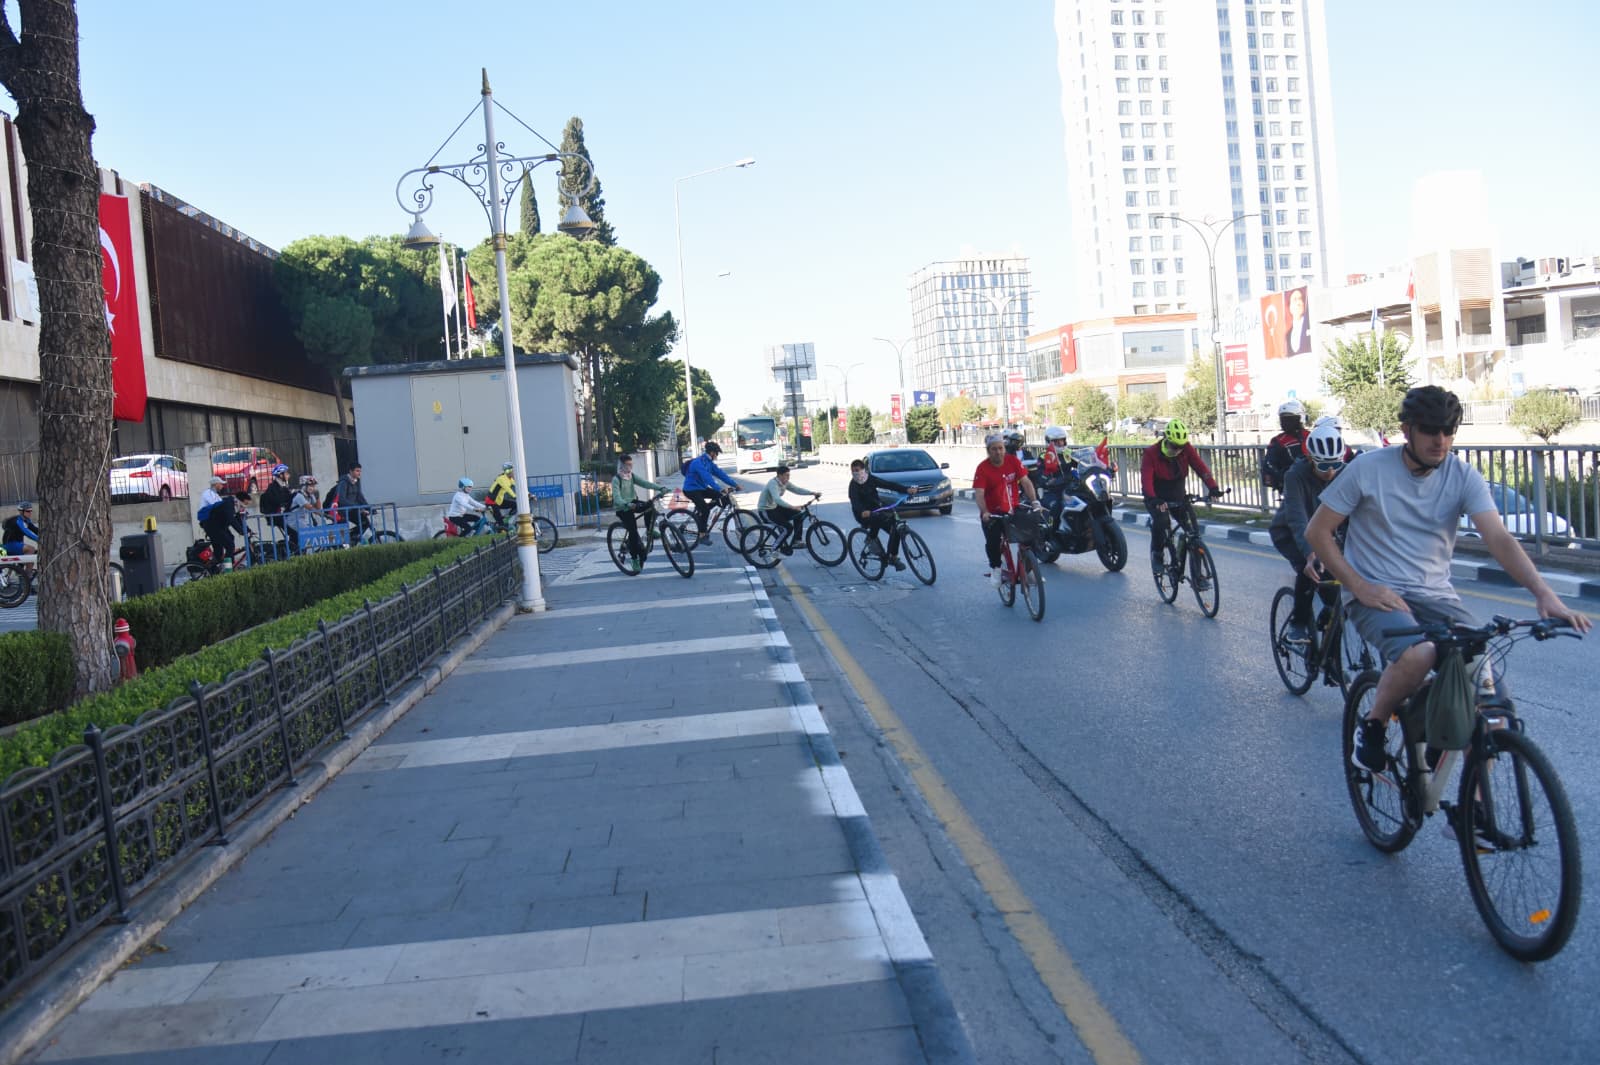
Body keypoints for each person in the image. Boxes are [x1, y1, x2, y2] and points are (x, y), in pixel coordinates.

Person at [1305, 386, 1591, 775]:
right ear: (1407, 430)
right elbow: (1317, 532)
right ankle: (1372, 726)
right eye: (1429, 430)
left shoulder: (1462, 475)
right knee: (1420, 654)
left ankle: (1476, 807)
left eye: (1448, 431)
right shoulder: (1368, 469)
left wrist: (1544, 593)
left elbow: (1498, 539)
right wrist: (1358, 586)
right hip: (1376, 593)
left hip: (1436, 595)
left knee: (1488, 699)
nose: (1440, 440)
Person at [1270, 420, 1349, 642]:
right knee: (1312, 571)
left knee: (1341, 597)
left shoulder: (1346, 473)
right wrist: (1310, 554)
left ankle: (1329, 650)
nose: (1330, 472)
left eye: (1336, 464)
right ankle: (1298, 623)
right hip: (1290, 533)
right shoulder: (1295, 475)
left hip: (1327, 534)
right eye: (1323, 466)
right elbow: (1298, 518)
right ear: (1311, 459)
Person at [1140, 419, 1222, 577]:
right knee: (1162, 521)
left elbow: (1201, 468)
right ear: (1166, 439)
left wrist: (1213, 487)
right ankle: (1157, 554)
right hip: (1157, 498)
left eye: (1181, 447)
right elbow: (1146, 481)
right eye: (1174, 446)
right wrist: (1153, 499)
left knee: (1193, 532)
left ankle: (1198, 576)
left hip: (1178, 496)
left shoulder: (1186, 449)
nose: (1178, 450)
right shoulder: (1151, 453)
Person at [974, 432, 1039, 586]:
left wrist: (1035, 502)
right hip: (993, 513)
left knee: (1032, 534)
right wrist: (985, 512)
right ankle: (996, 569)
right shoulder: (982, 468)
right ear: (988, 451)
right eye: (994, 449)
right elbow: (979, 494)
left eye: (1000, 448)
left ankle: (1028, 569)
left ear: (1004, 448)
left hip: (1013, 508)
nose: (998, 452)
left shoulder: (1013, 461)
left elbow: (1026, 482)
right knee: (993, 542)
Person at [611, 455, 668, 571]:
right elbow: (617, 498)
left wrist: (660, 488)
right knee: (633, 532)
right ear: (622, 466)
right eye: (628, 465)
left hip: (632, 503)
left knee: (649, 506)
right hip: (622, 508)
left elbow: (645, 483)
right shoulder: (616, 479)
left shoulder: (631, 476)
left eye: (631, 464)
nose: (630, 467)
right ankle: (634, 559)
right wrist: (626, 504)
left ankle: (649, 531)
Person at [848, 458, 906, 571]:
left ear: (863, 470)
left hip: (877, 509)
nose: (855, 473)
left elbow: (888, 485)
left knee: (896, 530)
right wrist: (862, 511)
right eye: (853, 471)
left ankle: (893, 557)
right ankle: (871, 538)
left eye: (857, 470)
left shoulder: (870, 479)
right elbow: (855, 502)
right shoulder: (853, 485)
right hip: (862, 514)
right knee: (876, 520)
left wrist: (906, 489)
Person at [681, 441, 741, 540]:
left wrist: (735, 484)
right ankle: (702, 534)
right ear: (712, 453)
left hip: (701, 488)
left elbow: (721, 474)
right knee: (705, 510)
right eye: (717, 453)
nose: (717, 456)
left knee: (722, 498)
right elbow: (708, 478)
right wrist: (720, 489)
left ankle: (700, 514)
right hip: (691, 490)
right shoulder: (698, 462)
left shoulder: (709, 463)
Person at [757, 465, 820, 556]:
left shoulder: (785, 483)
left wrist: (812, 493)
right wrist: (792, 507)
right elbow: (777, 499)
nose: (788, 477)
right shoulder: (773, 483)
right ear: (780, 475)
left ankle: (796, 541)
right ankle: (773, 549)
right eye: (786, 475)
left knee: (799, 514)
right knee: (788, 528)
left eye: (789, 475)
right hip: (765, 510)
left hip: (774, 507)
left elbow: (797, 489)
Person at [1261, 400, 1310, 493]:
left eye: (1290, 419)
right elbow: (1269, 466)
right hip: (1293, 487)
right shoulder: (1278, 441)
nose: (1286, 422)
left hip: (1310, 485)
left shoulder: (1311, 436)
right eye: (1284, 419)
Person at [197, 474, 246, 566]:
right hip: (210, 522)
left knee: (226, 542)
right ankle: (228, 567)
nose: (222, 486)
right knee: (229, 545)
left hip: (217, 523)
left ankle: (216, 566)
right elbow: (218, 507)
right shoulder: (208, 493)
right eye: (221, 484)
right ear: (216, 484)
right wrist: (241, 531)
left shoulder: (216, 495)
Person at [259, 463, 294, 554]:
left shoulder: (283, 486)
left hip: (284, 516)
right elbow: (279, 500)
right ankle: (292, 552)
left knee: (296, 532)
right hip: (277, 517)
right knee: (294, 532)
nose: (288, 475)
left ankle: (292, 549)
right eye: (286, 473)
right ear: (280, 475)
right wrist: (291, 495)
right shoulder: (273, 488)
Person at [335, 463, 370, 538]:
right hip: (342, 511)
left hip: (352, 509)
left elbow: (360, 497)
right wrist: (355, 506)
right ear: (351, 471)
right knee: (343, 531)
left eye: (360, 471)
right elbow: (341, 499)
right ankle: (349, 539)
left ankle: (353, 538)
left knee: (365, 523)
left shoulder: (356, 481)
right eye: (357, 471)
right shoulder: (343, 482)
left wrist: (368, 507)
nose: (359, 473)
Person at [1283, 287, 1312, 357]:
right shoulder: (1287, 335)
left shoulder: (1310, 325)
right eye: (1295, 300)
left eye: (1300, 299)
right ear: (1290, 307)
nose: (1298, 303)